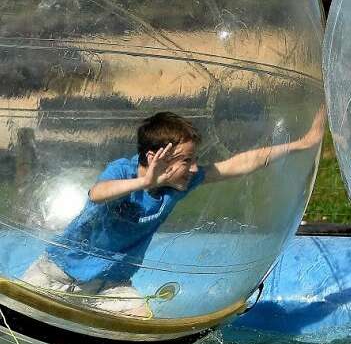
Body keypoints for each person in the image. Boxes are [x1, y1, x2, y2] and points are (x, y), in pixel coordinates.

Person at [22, 109, 324, 318]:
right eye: (185, 160)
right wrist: (145, 182)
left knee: (142, 334)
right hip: (58, 271)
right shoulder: (124, 171)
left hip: (110, 283)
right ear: (155, 157)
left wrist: (302, 143)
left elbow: (237, 164)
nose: (193, 168)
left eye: (194, 159)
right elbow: (97, 193)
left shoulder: (180, 184)